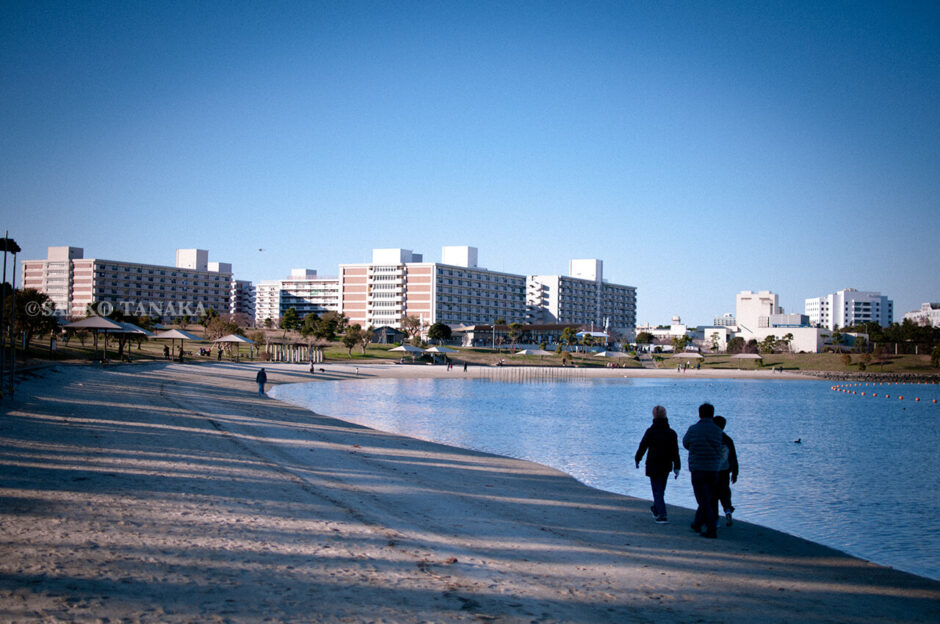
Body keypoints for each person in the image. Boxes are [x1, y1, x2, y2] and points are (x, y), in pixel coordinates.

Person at [682, 402, 724, 538]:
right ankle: (698, 523)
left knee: (703, 499)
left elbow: (685, 443)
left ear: (699, 414)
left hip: (698, 468)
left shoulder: (694, 429)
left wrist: (695, 449)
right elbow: (719, 447)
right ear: (712, 414)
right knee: (707, 497)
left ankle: (711, 528)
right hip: (713, 469)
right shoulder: (717, 430)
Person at [634, 405, 681, 523]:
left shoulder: (651, 431)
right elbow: (675, 451)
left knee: (657, 489)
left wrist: (637, 458)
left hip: (653, 464)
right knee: (660, 489)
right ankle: (657, 509)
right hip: (666, 465)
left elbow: (643, 446)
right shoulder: (671, 433)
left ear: (653, 415)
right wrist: (677, 466)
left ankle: (661, 513)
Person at [712, 416, 739, 527]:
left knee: (713, 495)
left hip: (713, 470)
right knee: (724, 492)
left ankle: (715, 519)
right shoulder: (728, 439)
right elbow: (733, 457)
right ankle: (727, 509)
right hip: (725, 471)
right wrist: (735, 472)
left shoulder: (712, 438)